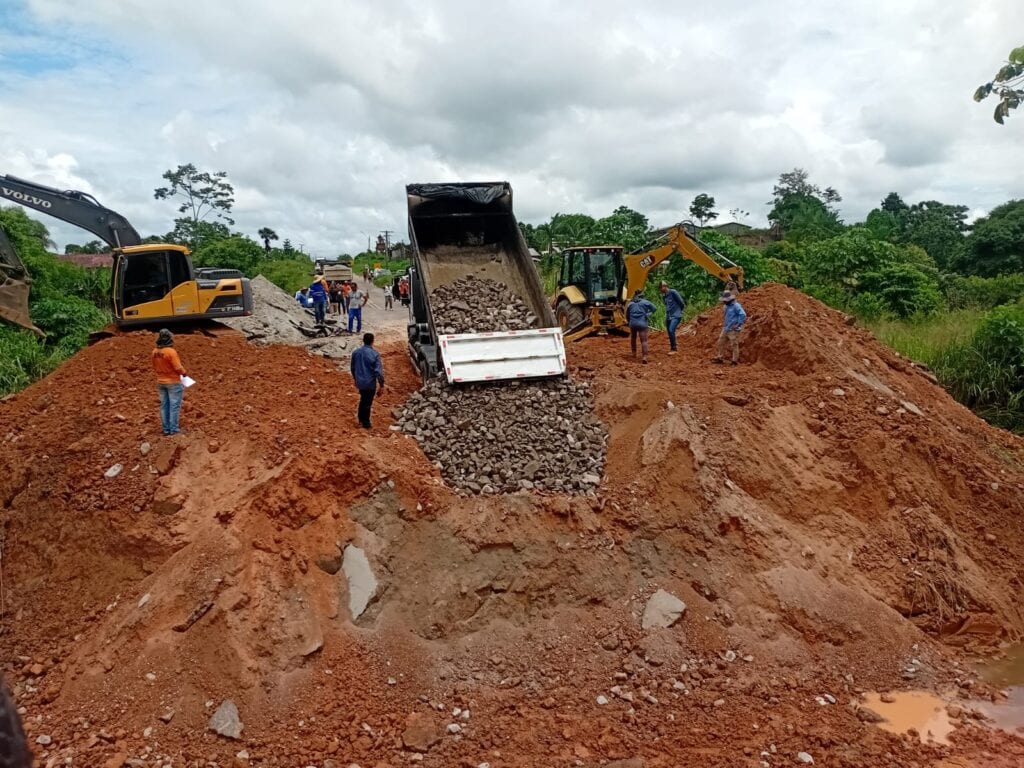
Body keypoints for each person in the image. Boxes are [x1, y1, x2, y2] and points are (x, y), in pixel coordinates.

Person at [152, 329, 187, 436]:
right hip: (173, 382)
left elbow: (154, 366)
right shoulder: (171, 352)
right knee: (174, 405)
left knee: (164, 405)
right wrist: (184, 373)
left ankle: (166, 429)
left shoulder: (155, 352)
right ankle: (174, 429)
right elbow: (178, 367)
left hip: (160, 381)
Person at [350, 332, 385, 429]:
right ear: (372, 341)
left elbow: (352, 368)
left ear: (363, 340)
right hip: (370, 383)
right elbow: (378, 371)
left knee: (363, 399)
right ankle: (366, 422)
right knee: (367, 402)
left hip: (360, 382)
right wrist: (381, 385)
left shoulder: (356, 352)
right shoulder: (375, 354)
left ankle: (361, 419)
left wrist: (355, 378)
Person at [713, 290, 747, 365]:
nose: (724, 302)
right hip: (726, 328)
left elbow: (743, 314)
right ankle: (720, 357)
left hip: (733, 329)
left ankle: (734, 360)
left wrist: (738, 324)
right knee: (720, 342)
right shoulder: (725, 306)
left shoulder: (736, 305)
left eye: (725, 300)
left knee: (734, 344)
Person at [626, 289, 656, 364]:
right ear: (642, 295)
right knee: (644, 341)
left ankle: (634, 353)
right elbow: (654, 309)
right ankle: (644, 357)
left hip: (633, 323)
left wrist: (629, 321)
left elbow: (627, 315)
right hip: (642, 323)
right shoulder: (645, 302)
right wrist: (648, 314)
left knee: (633, 338)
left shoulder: (630, 303)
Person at [659, 281, 686, 355]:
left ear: (665, 286)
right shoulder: (664, 296)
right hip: (669, 316)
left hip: (676, 315)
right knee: (669, 332)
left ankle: (674, 349)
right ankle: (672, 347)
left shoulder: (673, 292)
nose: (661, 290)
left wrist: (681, 311)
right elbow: (666, 305)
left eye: (661, 288)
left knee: (671, 330)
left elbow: (681, 302)